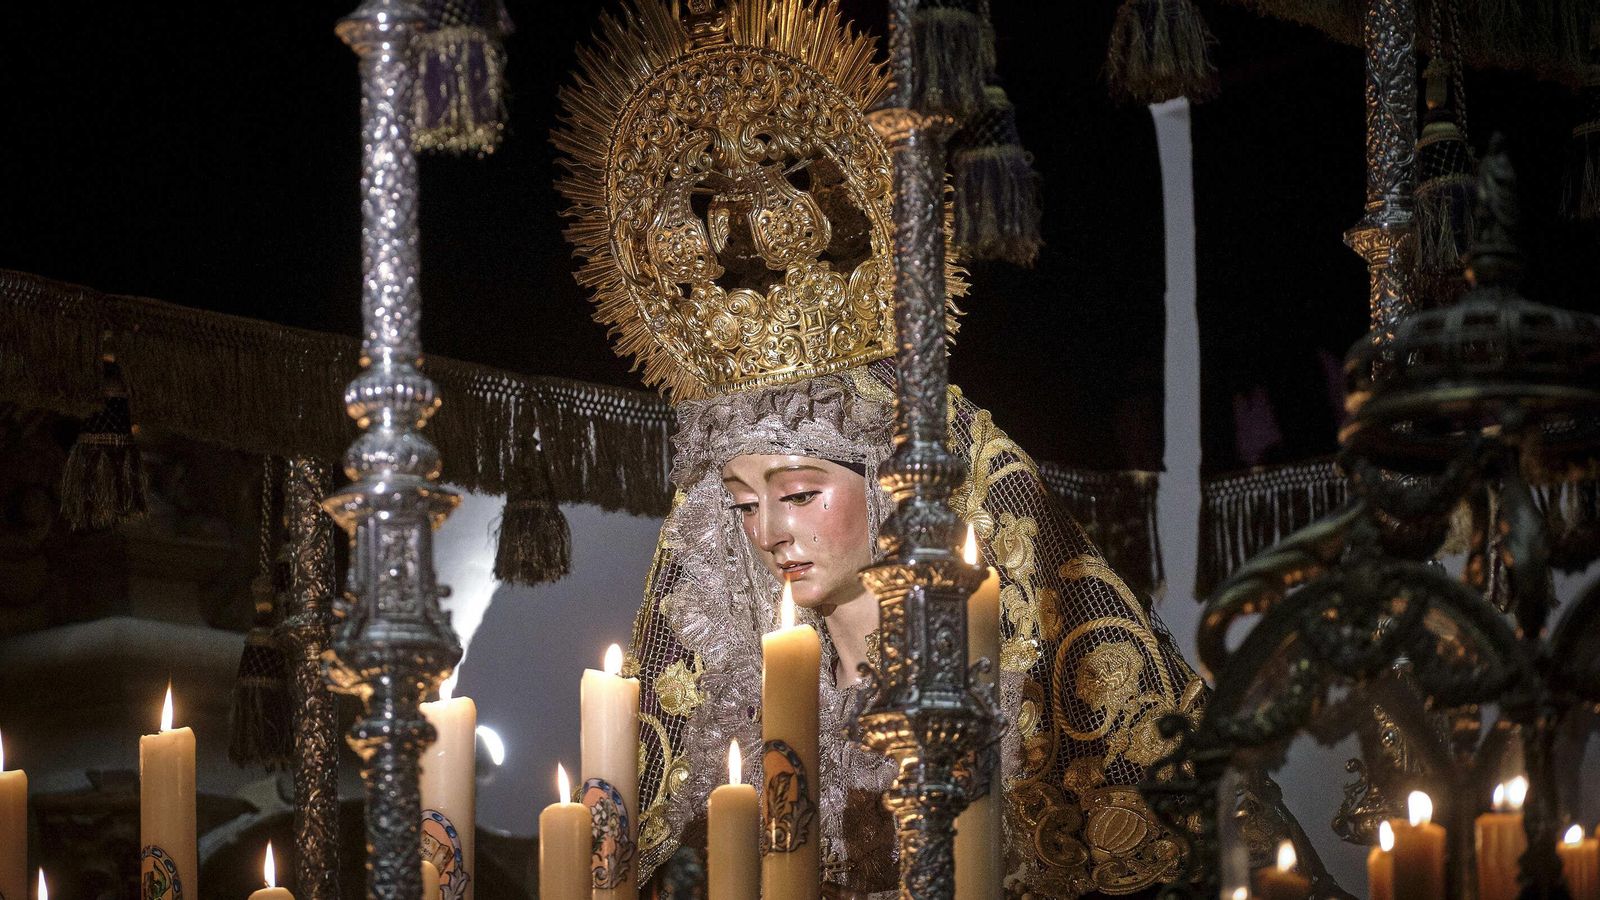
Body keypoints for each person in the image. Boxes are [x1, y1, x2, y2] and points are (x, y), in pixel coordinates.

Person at [552, 1, 1210, 894]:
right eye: (742, 504)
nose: (768, 533)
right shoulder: (745, 719)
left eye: (799, 493)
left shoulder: (1006, 689)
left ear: (899, 484)